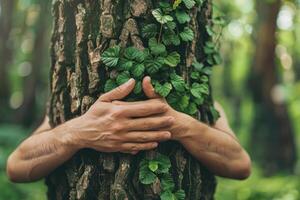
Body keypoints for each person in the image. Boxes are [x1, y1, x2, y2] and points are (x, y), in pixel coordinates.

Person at [6, 76, 251, 183]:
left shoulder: (204, 104)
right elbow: (17, 166)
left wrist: (178, 125)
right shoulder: (71, 101)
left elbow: (239, 164)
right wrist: (77, 132)